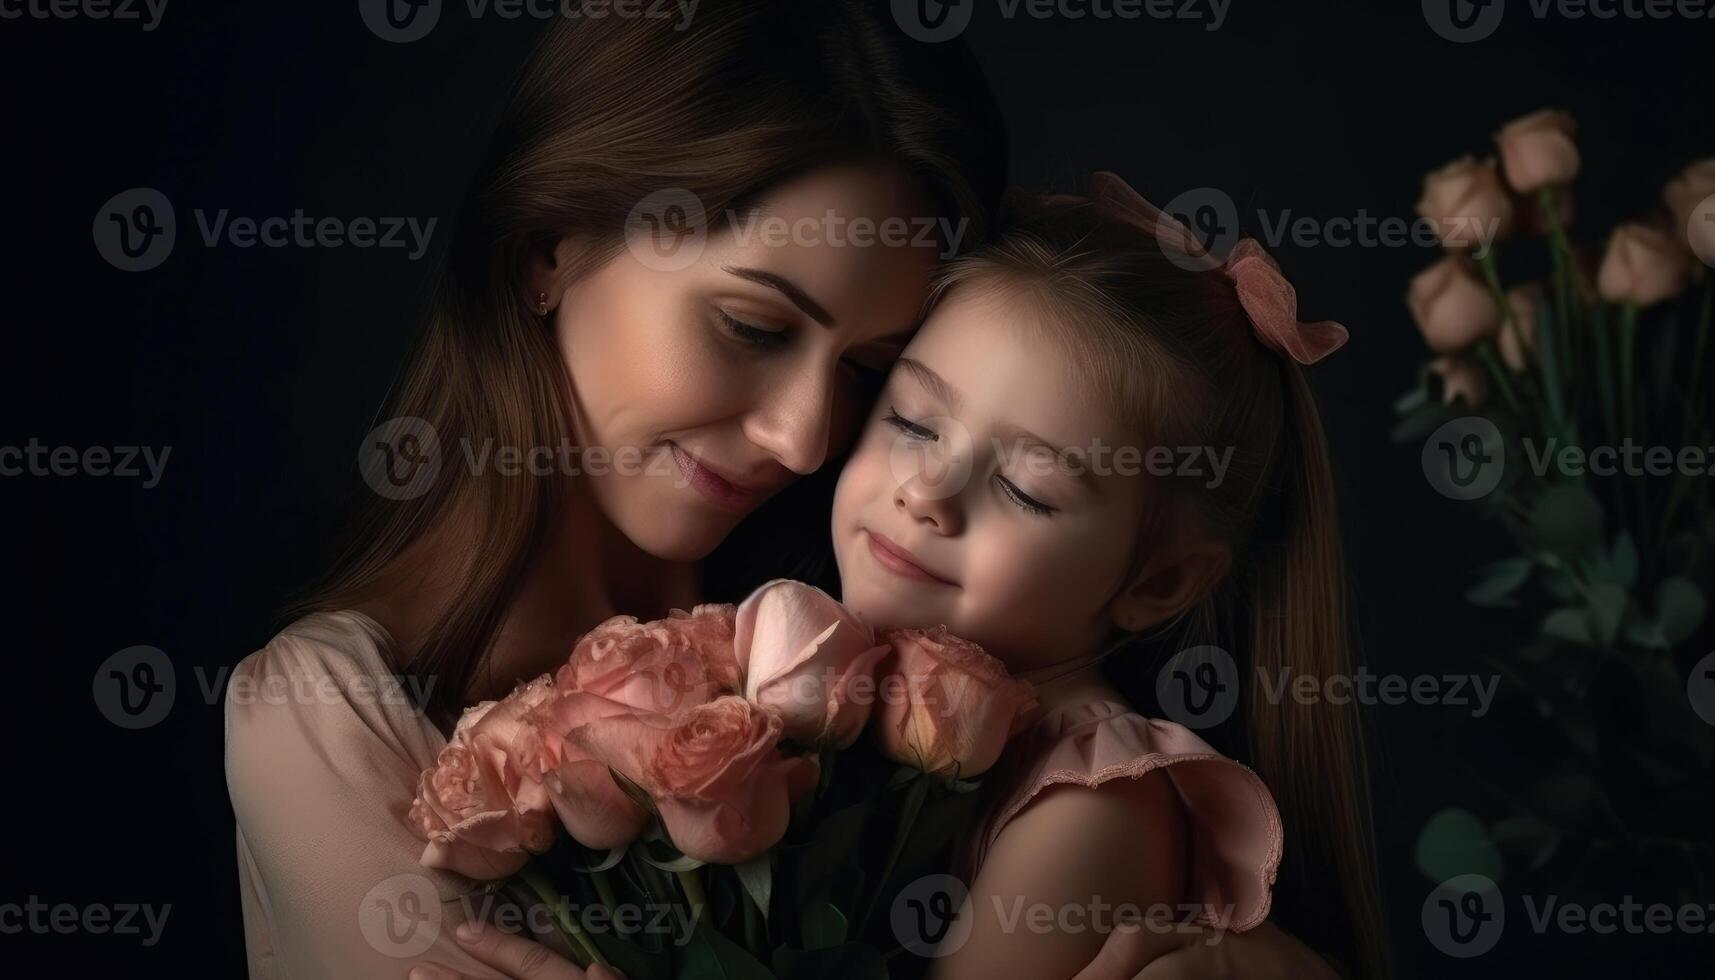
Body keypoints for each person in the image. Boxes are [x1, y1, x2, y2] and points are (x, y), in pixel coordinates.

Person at [224, 4, 1006, 977]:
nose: (805, 440)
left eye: (863, 370)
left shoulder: (881, 637)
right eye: (752, 327)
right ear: (548, 247)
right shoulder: (328, 715)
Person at [826, 176, 1391, 979]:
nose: (924, 493)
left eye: (1024, 489)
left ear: (1156, 584)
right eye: (914, 423)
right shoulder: (822, 666)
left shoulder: (1090, 808)